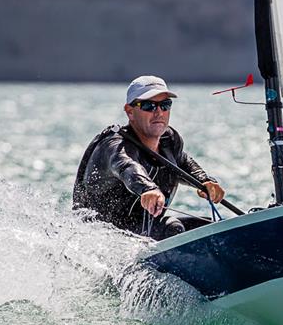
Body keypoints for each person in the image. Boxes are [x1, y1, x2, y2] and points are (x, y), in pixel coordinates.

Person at [73, 75, 225, 240]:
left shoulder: (169, 141)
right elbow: (126, 166)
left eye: (165, 105)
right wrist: (147, 189)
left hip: (146, 232)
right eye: (148, 105)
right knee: (173, 228)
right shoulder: (113, 146)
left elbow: (183, 162)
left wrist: (205, 181)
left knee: (211, 229)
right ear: (130, 111)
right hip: (106, 242)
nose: (159, 112)